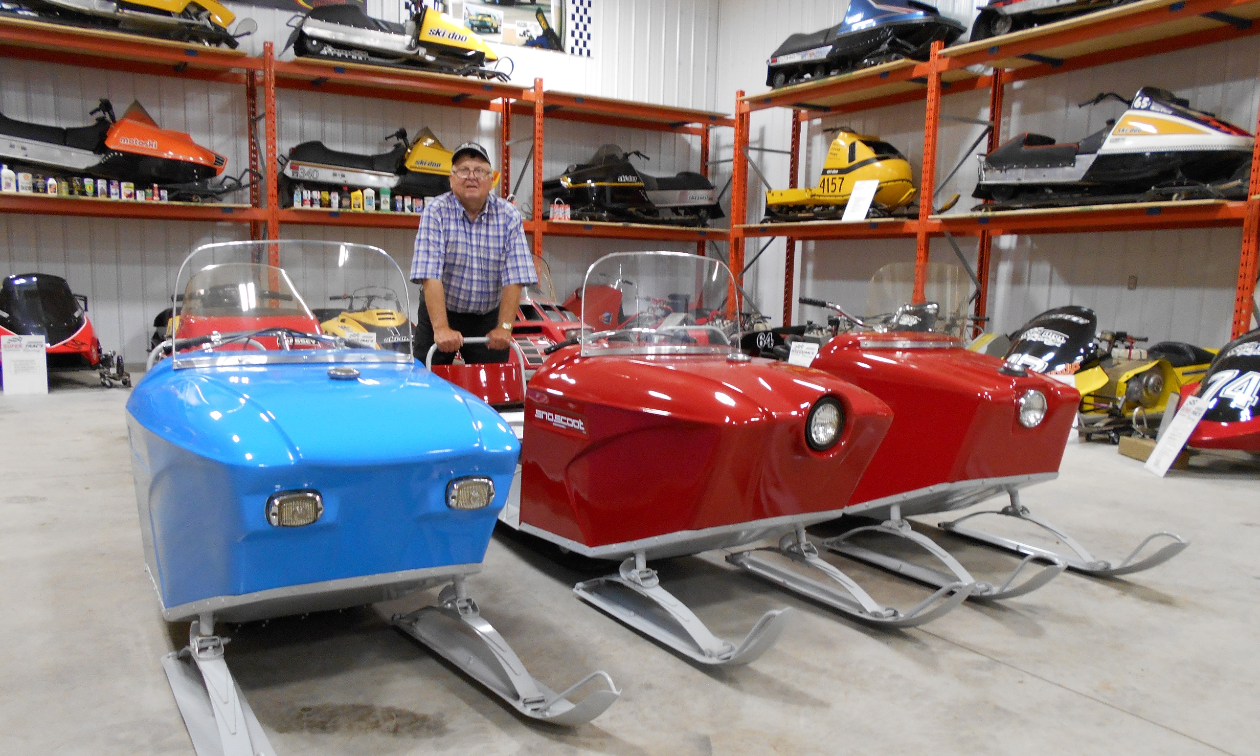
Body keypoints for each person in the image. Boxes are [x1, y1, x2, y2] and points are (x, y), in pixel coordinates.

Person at [410, 141, 537, 366]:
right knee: (426, 385)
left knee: (494, 392)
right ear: (451, 179)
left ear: (491, 179)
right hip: (441, 312)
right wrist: (440, 329)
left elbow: (516, 275)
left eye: (479, 170)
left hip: (488, 316)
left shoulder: (508, 215)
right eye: (463, 170)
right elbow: (430, 273)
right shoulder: (435, 211)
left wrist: (505, 327)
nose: (472, 176)